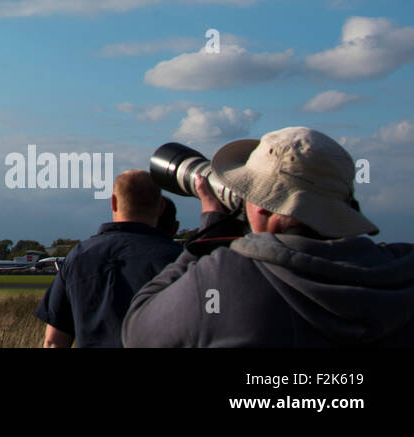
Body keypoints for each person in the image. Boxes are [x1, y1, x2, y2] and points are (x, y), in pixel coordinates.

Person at [122, 126, 414, 347]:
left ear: (260, 204)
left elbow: (137, 332)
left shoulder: (223, 278)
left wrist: (211, 229)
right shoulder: (401, 272)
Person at [35, 169, 181, 347]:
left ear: (113, 202)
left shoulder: (79, 256)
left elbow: (53, 342)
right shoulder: (179, 259)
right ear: (160, 207)